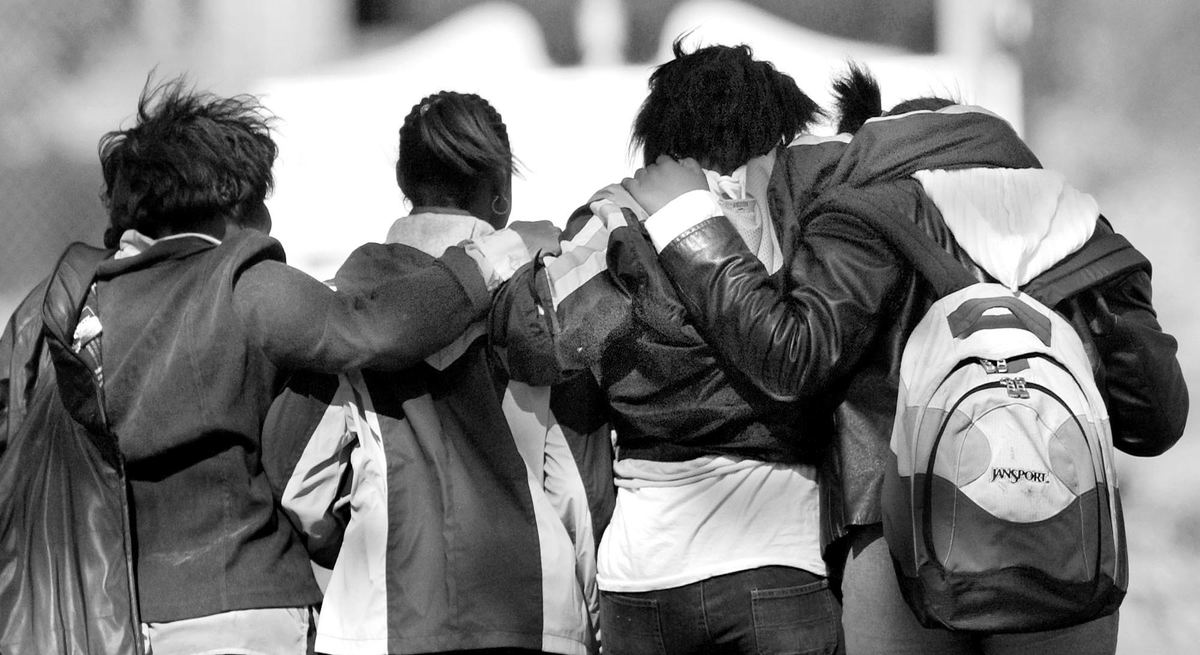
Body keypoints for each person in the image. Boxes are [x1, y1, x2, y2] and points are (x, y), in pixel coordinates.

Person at [618, 65, 1188, 655]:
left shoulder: (863, 214)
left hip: (900, 542)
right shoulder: (1082, 228)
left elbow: (789, 358)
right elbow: (1157, 420)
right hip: (1066, 541)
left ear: (878, 140)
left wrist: (689, 222)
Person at [8, 76, 560, 655]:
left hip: (107, 613)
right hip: (245, 610)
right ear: (229, 203)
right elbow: (372, 329)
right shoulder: (243, 286)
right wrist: (486, 262)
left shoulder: (62, 307)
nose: (269, 226)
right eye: (260, 205)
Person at [494, 40, 843, 655]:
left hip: (643, 570)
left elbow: (533, 342)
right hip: (780, 555)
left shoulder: (617, 221)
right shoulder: (810, 214)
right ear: (775, 129)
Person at [264, 90, 607, 655]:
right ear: (501, 198)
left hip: (380, 620)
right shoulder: (539, 302)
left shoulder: (348, 309)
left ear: (405, 185)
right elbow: (576, 487)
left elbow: (301, 485)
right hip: (533, 616)